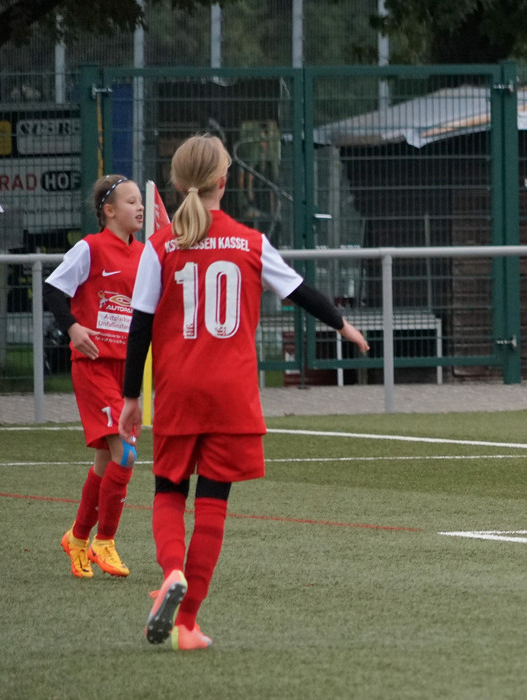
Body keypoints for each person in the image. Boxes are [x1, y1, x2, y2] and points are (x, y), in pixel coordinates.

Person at [118, 134, 370, 650]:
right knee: (214, 503)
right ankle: (187, 624)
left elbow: (139, 326)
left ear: (177, 182)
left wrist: (129, 397)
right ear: (223, 182)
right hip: (232, 394)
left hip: (180, 391)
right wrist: (343, 325)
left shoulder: (160, 246)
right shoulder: (251, 241)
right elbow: (299, 290)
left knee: (169, 490)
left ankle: (171, 572)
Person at [45, 174, 145, 579]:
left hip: (127, 372)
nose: (139, 207)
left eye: (141, 201)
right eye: (131, 201)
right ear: (108, 211)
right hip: (94, 367)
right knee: (126, 454)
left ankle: (78, 538)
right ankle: (106, 540)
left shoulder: (144, 255)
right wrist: (72, 327)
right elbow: (53, 290)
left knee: (107, 461)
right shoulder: (89, 248)